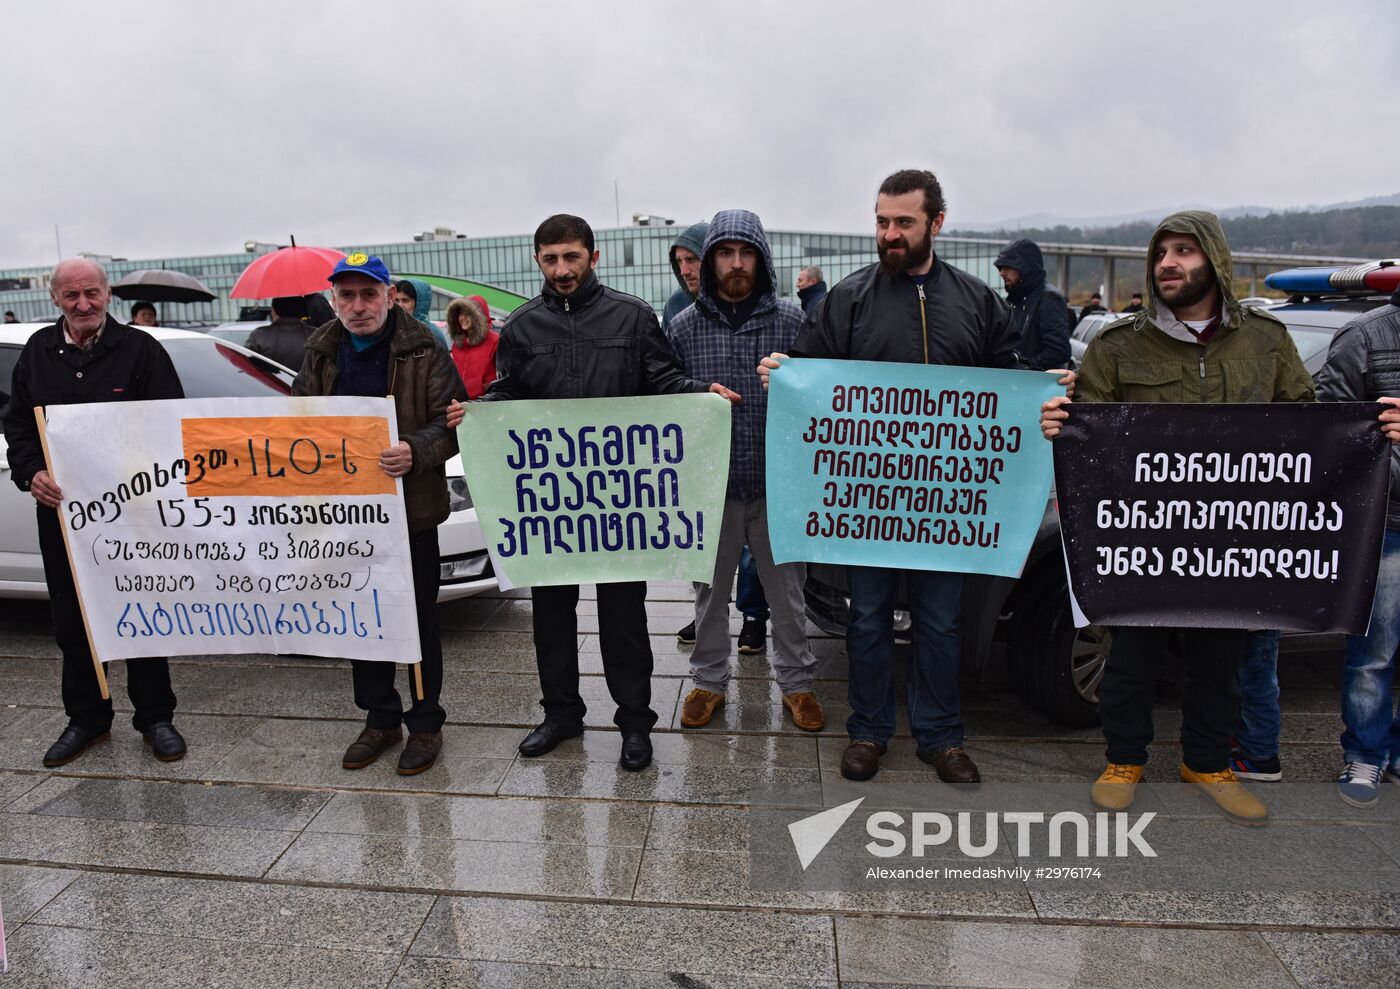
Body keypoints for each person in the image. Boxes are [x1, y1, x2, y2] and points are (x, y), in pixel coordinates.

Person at [1039, 210, 1320, 824]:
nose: (1168, 262)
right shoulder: (1119, 345)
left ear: (1213, 259)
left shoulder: (1266, 342)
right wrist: (1063, 422)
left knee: (1222, 662)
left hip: (1232, 536)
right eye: (1161, 251)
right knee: (1132, 655)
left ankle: (1208, 761)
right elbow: (1090, 428)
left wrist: (1371, 428)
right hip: (1144, 535)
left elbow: (1307, 421)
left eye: (1184, 251)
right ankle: (1124, 758)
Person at [757, 169, 1023, 786]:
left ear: (937, 222)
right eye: (881, 221)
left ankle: (941, 736)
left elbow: (1015, 379)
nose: (890, 234)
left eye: (903, 222)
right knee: (868, 618)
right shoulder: (849, 299)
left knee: (941, 623)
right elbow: (811, 375)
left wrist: (1046, 392)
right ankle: (869, 730)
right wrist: (786, 373)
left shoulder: (977, 301)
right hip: (869, 500)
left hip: (947, 502)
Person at [481, 214, 740, 772]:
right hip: (553, 505)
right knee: (551, 615)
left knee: (623, 615)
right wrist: (475, 413)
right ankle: (561, 715)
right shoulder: (523, 328)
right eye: (551, 259)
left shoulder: (632, 316)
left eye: (571, 257)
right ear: (537, 262)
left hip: (617, 506)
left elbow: (664, 383)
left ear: (592, 257)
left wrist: (703, 394)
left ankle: (634, 721)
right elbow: (506, 394)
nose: (562, 269)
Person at [2, 259, 186, 767]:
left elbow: (171, 424)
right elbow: (18, 426)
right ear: (55, 298)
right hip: (63, 516)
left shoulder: (141, 351)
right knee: (73, 617)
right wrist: (30, 472)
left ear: (108, 295)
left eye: (91, 293)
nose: (83, 304)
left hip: (134, 514)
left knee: (144, 611)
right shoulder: (38, 352)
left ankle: (155, 717)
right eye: (71, 296)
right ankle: (86, 718)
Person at [293, 253, 465, 775]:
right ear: (333, 301)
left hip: (410, 512)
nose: (358, 306)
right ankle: (379, 717)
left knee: (416, 619)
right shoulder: (321, 351)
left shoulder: (424, 348)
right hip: (345, 516)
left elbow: (452, 421)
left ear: (391, 296)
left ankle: (425, 723)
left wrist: (416, 450)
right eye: (346, 295)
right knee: (359, 617)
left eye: (369, 294)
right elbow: (297, 418)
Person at [668, 210, 822, 732]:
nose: (736, 264)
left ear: (761, 258)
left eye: (746, 253)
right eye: (725, 254)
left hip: (779, 485)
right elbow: (666, 396)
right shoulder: (684, 326)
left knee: (787, 592)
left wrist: (795, 387)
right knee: (709, 593)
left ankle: (797, 684)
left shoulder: (792, 321)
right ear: (710, 261)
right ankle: (708, 682)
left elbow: (823, 399)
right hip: (710, 487)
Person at [1314, 280, 1400, 807]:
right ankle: (1366, 754)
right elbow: (1332, 428)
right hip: (1386, 522)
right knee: (1374, 652)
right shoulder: (1364, 337)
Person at [993, 239, 1071, 370]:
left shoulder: (1048, 298)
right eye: (1000, 268)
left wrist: (1024, 368)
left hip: (1038, 385)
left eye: (1006, 267)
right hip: (1021, 382)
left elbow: (1058, 351)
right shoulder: (1017, 299)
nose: (1002, 273)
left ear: (1023, 267)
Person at [446, 295, 498, 399]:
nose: (462, 318)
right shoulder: (457, 345)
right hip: (461, 406)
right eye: (460, 313)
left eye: (467, 313)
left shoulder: (494, 341)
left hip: (488, 405)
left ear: (479, 316)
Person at [661, 222, 709, 334]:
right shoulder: (675, 304)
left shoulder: (740, 298)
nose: (684, 272)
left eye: (691, 259)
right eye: (679, 261)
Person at [245, 296, 315, 371]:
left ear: (275, 310)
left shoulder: (258, 336)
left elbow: (245, 366)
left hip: (269, 382)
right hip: (308, 382)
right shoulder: (316, 335)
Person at [392, 278, 452, 349]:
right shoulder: (390, 329)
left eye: (405, 300)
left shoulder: (432, 334)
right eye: (396, 300)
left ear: (419, 303)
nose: (399, 305)